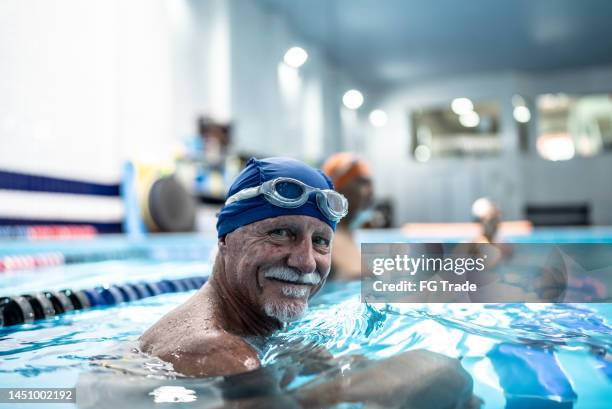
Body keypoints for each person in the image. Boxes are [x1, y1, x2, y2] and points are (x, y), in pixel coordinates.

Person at [139, 157, 479, 408]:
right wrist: (362, 387)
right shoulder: (220, 353)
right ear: (225, 238)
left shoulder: (259, 332)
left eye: (320, 242)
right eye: (281, 233)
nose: (305, 262)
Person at [321, 152, 374, 280]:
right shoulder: (327, 239)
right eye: (361, 182)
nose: (370, 191)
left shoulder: (348, 235)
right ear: (338, 190)